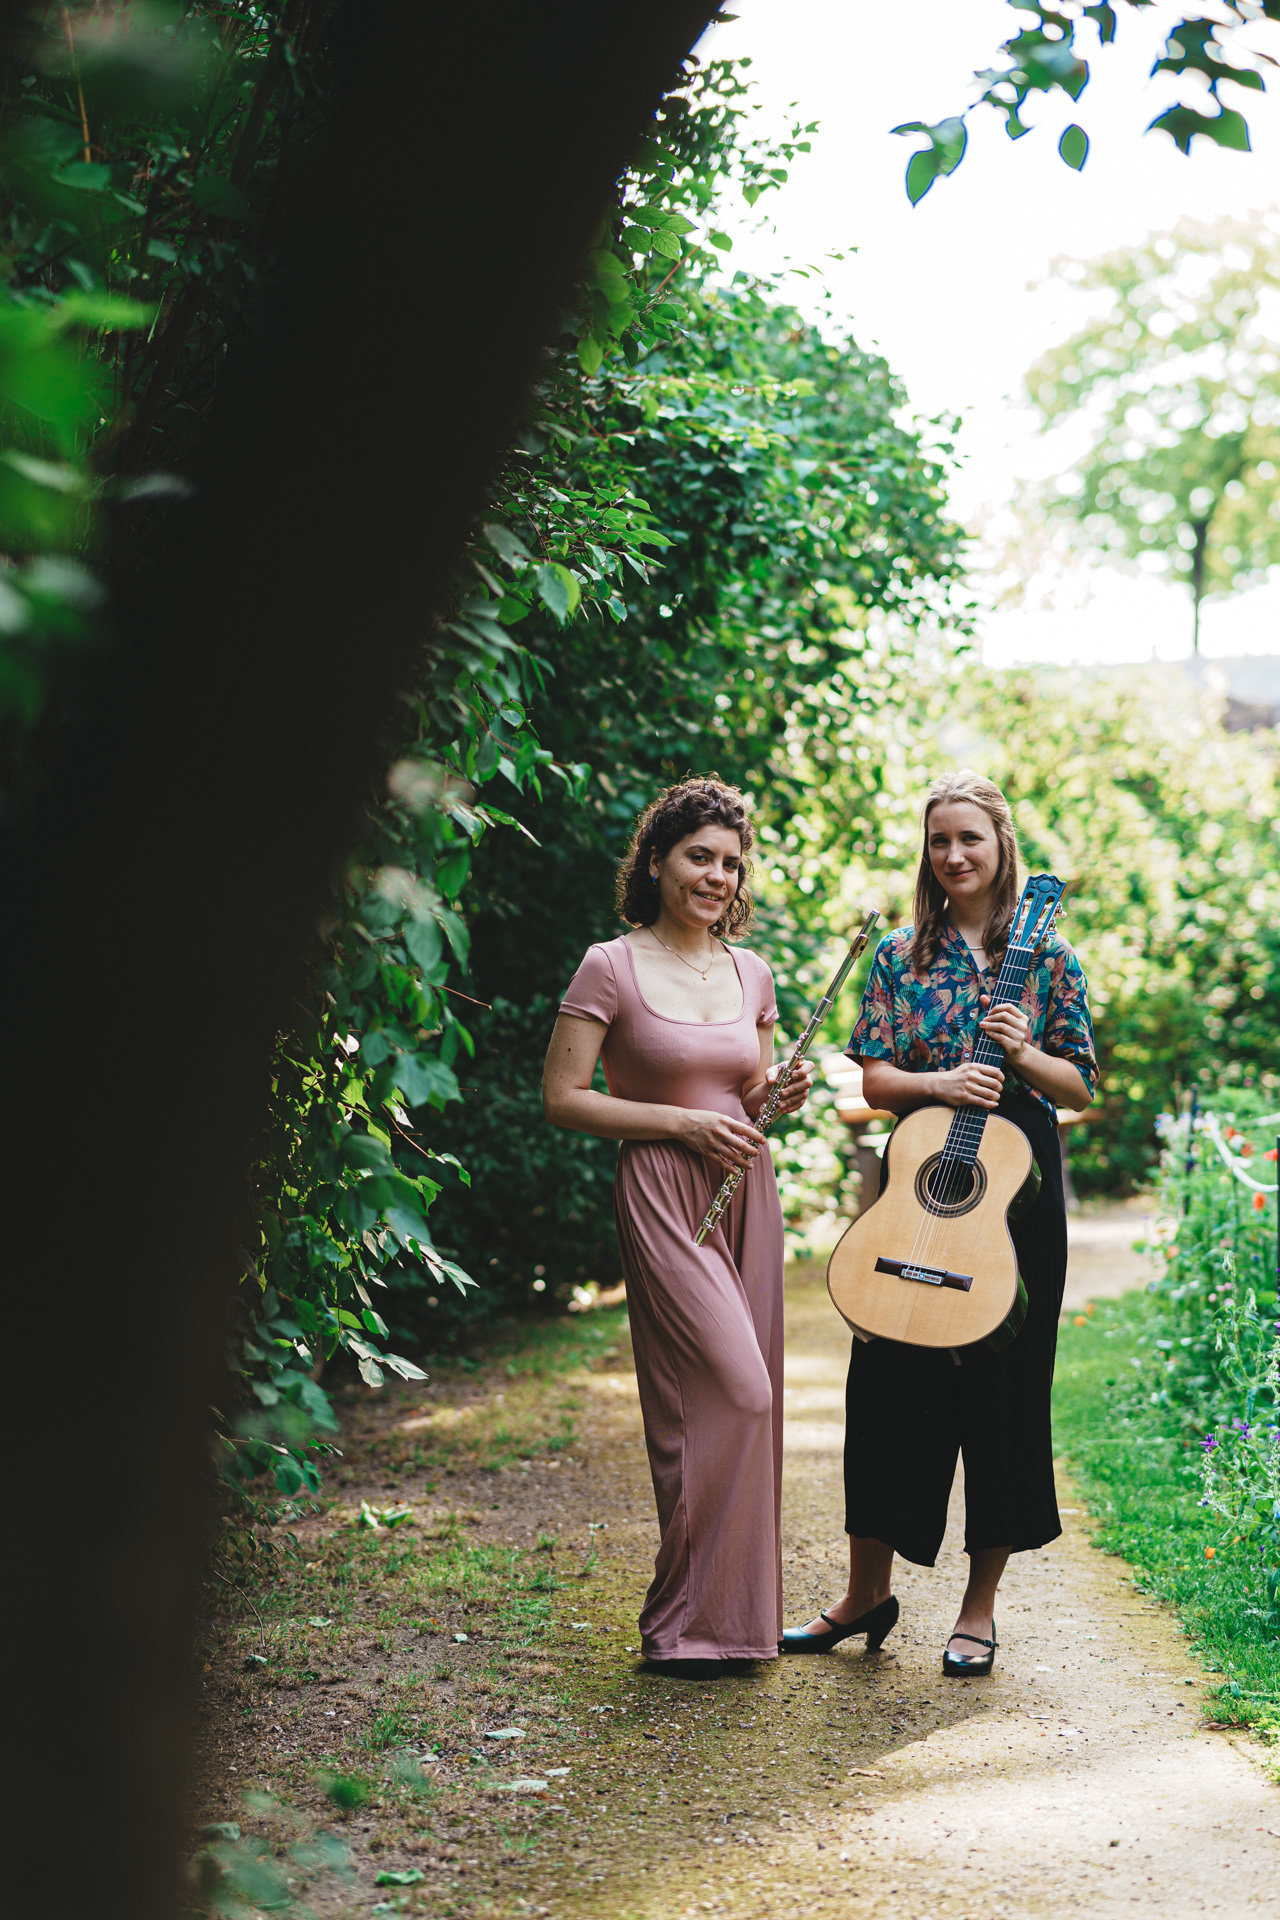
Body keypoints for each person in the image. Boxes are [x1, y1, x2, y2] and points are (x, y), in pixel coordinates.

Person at [782, 769, 1097, 1675]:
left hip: (1015, 1194)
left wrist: (1022, 1051)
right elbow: (877, 1077)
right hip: (920, 1187)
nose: (954, 855)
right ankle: (864, 1595)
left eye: (970, 838)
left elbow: (1079, 1085)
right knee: (883, 1388)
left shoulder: (1049, 957)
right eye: (939, 840)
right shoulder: (899, 954)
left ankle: (978, 1609)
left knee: (1003, 1398)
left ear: (1002, 846)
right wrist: (941, 1082)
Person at [542, 777, 813, 1677]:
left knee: (736, 1400)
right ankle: (682, 1616)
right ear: (656, 860)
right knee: (734, 1391)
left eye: (731, 863)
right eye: (700, 856)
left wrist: (776, 1095)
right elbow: (563, 1098)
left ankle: (727, 1623)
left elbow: (748, 1095)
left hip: (745, 1189)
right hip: (664, 1189)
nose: (717, 877)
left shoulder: (753, 972)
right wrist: (681, 1124)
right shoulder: (609, 965)